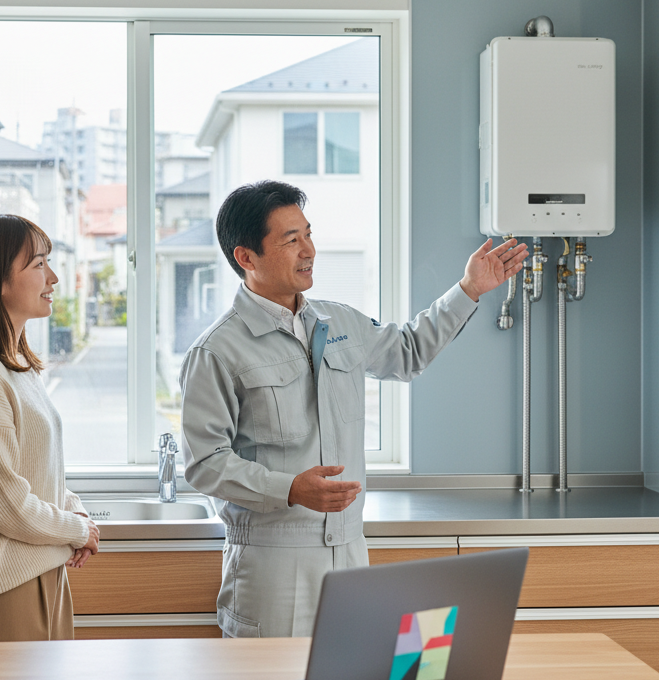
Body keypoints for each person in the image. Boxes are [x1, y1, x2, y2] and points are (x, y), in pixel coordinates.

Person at [179, 180, 528, 638]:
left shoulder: (338, 322)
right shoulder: (217, 350)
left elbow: (408, 352)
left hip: (349, 554)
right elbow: (205, 464)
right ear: (246, 257)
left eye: (308, 234)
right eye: (291, 240)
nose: (309, 250)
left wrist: (469, 289)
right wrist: (290, 489)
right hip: (272, 565)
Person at [0, 215, 99, 641]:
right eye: (38, 264)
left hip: (44, 574)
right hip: (5, 591)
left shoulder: (15, 363)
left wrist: (77, 510)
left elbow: (37, 471)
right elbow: (2, 502)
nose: (54, 278)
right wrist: (77, 529)